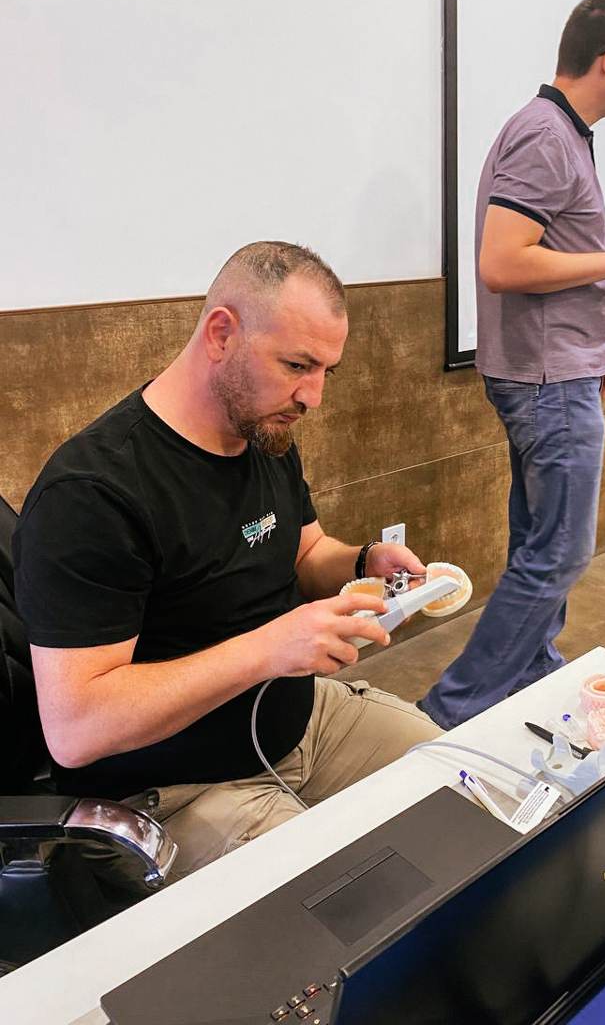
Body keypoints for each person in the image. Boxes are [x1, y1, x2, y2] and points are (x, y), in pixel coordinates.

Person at [13, 241, 441, 883]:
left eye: (327, 371)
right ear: (221, 334)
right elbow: (77, 729)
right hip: (179, 787)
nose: (313, 396)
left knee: (456, 787)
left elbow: (306, 552)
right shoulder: (93, 494)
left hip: (298, 722)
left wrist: (362, 561)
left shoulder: (264, 433)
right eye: (297, 365)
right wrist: (270, 649)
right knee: (342, 894)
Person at [418, 0, 605, 730]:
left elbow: (548, 254)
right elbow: (505, 262)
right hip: (545, 381)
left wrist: (594, 348)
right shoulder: (544, 135)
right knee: (558, 554)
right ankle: (446, 713)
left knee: (540, 543)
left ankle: (531, 674)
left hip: (559, 369)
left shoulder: (558, 132)